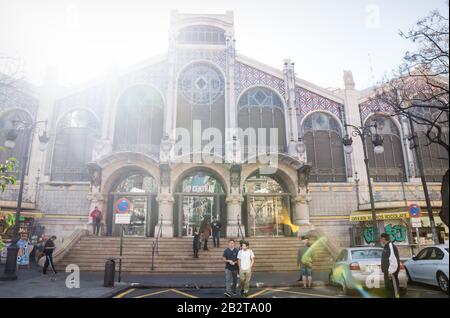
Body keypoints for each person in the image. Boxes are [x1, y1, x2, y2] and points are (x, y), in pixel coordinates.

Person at [380, 233, 400, 298]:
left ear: (383, 239)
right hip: (387, 272)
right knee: (389, 288)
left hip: (391, 272)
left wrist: (390, 271)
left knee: (393, 288)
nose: (380, 240)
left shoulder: (390, 246)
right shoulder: (386, 247)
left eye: (381, 239)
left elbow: (393, 259)